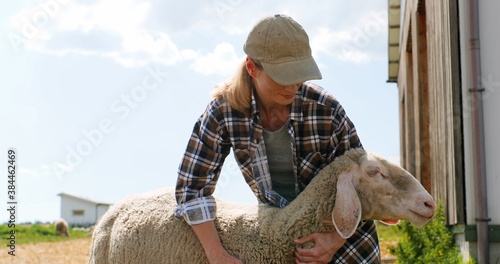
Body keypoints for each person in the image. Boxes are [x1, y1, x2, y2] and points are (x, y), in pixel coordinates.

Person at [175, 14, 380, 263]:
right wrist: (216, 254)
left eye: (299, 75)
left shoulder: (325, 108)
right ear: (252, 68)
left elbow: (365, 180)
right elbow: (192, 188)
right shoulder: (223, 112)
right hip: (282, 240)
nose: (293, 86)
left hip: (346, 240)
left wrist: (335, 239)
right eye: (283, 76)